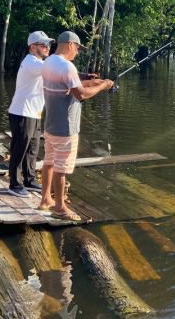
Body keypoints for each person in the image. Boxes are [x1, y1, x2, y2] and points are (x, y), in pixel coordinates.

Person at [38, 31, 114, 220]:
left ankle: (45, 200)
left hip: (50, 125)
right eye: (78, 48)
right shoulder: (67, 66)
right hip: (66, 127)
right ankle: (60, 207)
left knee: (49, 162)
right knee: (61, 167)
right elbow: (80, 94)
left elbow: (70, 85)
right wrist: (103, 86)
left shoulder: (48, 62)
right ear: (71, 44)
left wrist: (94, 81)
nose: (78, 52)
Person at [7, 31, 54, 198]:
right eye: (43, 45)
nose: (47, 47)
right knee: (20, 148)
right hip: (22, 113)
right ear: (32, 47)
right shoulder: (31, 63)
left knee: (32, 149)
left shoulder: (40, 63)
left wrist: (84, 77)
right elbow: (56, 70)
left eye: (48, 44)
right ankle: (15, 184)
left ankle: (29, 179)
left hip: (34, 113)